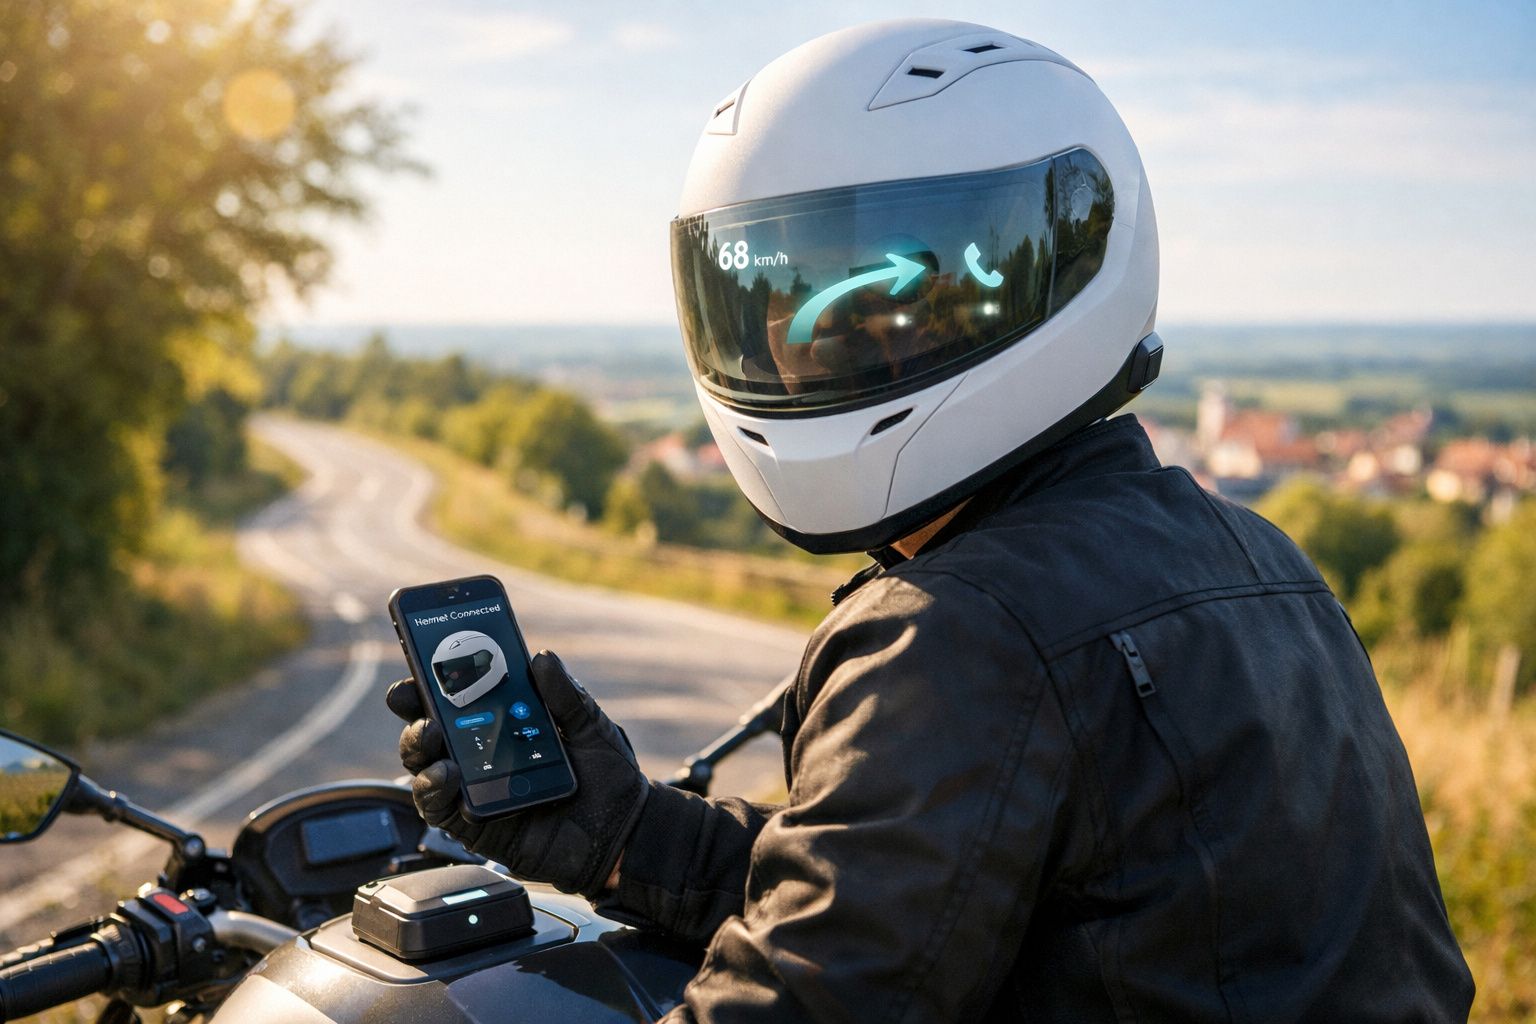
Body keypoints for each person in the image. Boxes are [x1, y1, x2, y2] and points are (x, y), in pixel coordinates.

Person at [387, 19, 1475, 1021]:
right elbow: (899, 906)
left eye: (891, 297)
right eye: (778, 301)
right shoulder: (1266, 561)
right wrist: (625, 835)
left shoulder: (957, 632)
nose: (804, 346)